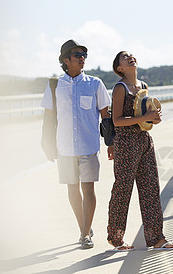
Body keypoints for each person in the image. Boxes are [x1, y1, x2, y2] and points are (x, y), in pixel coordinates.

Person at [41, 40, 111, 249]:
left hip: (89, 146)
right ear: (65, 60)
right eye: (77, 54)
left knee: (88, 188)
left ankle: (84, 234)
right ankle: (84, 226)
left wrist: (111, 143)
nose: (82, 58)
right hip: (64, 147)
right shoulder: (55, 85)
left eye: (84, 55)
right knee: (72, 189)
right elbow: (48, 117)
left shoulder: (95, 83)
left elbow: (105, 116)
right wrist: (47, 144)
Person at [106, 51, 173, 252]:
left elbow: (144, 117)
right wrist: (143, 117)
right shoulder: (120, 88)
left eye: (131, 55)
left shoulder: (144, 86)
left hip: (144, 140)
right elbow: (117, 121)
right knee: (123, 190)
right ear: (119, 68)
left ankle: (156, 238)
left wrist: (153, 118)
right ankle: (116, 238)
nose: (130, 58)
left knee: (151, 189)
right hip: (126, 142)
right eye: (124, 57)